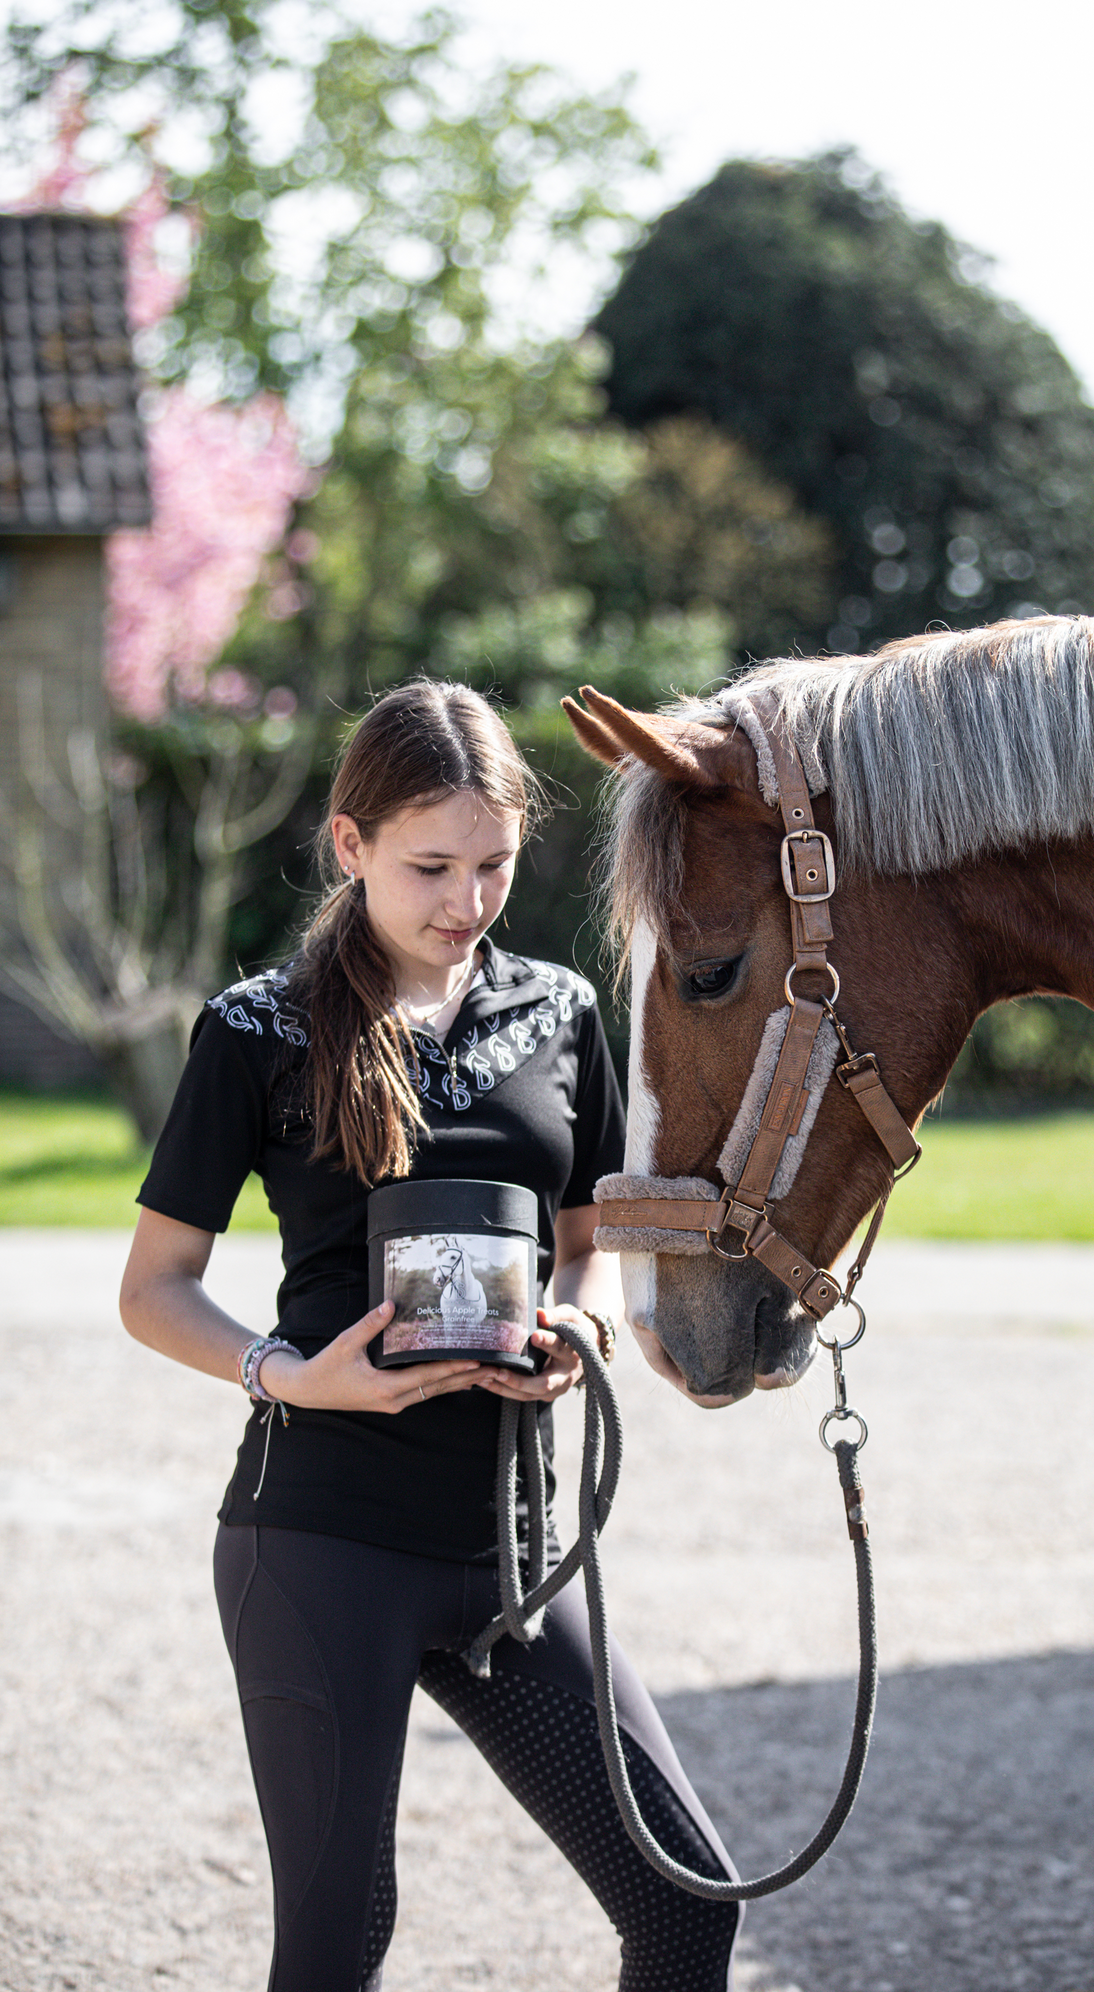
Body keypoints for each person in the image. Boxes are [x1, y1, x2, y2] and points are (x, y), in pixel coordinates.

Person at [120, 680, 741, 1992]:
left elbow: (583, 1236)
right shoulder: (255, 1031)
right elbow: (155, 1286)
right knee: (336, 1948)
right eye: (430, 868)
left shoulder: (563, 1011)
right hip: (316, 1543)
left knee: (689, 1906)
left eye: (495, 865)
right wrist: (292, 1376)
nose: (465, 900)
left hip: (509, 1554)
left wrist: (579, 1320)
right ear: (350, 847)